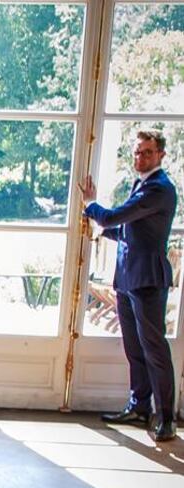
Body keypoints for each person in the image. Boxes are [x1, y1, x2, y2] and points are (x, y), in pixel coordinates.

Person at [78, 129, 178, 441]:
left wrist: (91, 205)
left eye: (147, 152)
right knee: (134, 348)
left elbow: (113, 217)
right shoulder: (141, 184)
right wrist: (101, 231)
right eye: (137, 152)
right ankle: (139, 407)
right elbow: (128, 231)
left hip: (147, 280)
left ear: (161, 155)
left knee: (154, 350)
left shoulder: (159, 188)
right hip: (126, 278)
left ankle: (166, 418)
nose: (140, 157)